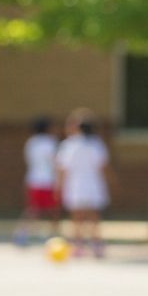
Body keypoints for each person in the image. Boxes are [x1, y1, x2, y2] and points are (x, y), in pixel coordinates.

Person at [55, 108, 111, 257]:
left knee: (77, 217)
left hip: (76, 184)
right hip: (93, 183)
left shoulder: (70, 145)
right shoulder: (97, 144)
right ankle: (97, 244)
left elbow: (63, 168)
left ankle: (78, 246)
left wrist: (59, 185)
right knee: (93, 216)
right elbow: (103, 166)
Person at [13, 117, 59, 245]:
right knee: (53, 211)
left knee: (33, 209)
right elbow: (55, 162)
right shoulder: (50, 143)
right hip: (48, 181)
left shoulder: (31, 142)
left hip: (33, 179)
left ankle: (22, 233)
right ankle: (53, 236)